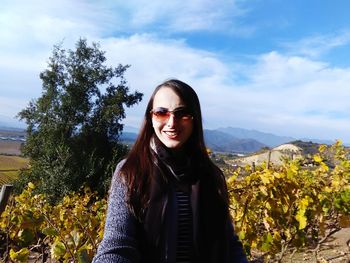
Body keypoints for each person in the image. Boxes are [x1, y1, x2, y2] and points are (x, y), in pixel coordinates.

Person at [92, 79, 248, 263]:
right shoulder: (131, 171)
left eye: (182, 113)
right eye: (161, 113)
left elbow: (229, 243)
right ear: (150, 117)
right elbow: (117, 245)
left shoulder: (211, 176)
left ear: (194, 119)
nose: (172, 122)